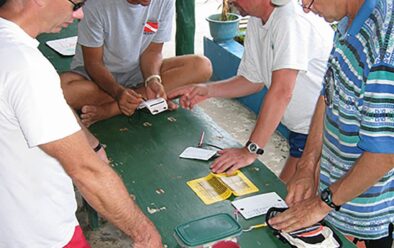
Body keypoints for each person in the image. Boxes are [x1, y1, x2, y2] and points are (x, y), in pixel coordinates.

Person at [0, 0, 162, 247]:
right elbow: (86, 171)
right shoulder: (26, 66)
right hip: (38, 234)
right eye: (76, 3)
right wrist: (144, 234)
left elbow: (50, 106)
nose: (80, 14)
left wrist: (92, 143)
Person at [269, 0, 394, 247]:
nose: (305, 7)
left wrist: (321, 204)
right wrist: (307, 166)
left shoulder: (384, 44)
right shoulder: (347, 20)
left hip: (363, 224)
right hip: (331, 205)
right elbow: (328, 95)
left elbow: (385, 153)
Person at [168, 0, 333, 183]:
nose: (229, 1)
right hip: (303, 132)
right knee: (283, 199)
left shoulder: (290, 18)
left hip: (327, 133)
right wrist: (207, 90)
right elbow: (252, 80)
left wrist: (250, 151)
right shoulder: (257, 20)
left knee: (288, 200)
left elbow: (282, 91)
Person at [60, 0, 212, 127]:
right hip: (97, 77)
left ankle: (113, 108)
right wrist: (118, 92)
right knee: (62, 90)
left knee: (201, 66)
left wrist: (152, 79)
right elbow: (93, 63)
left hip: (139, 71)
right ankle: (142, 99)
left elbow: (153, 51)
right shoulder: (95, 4)